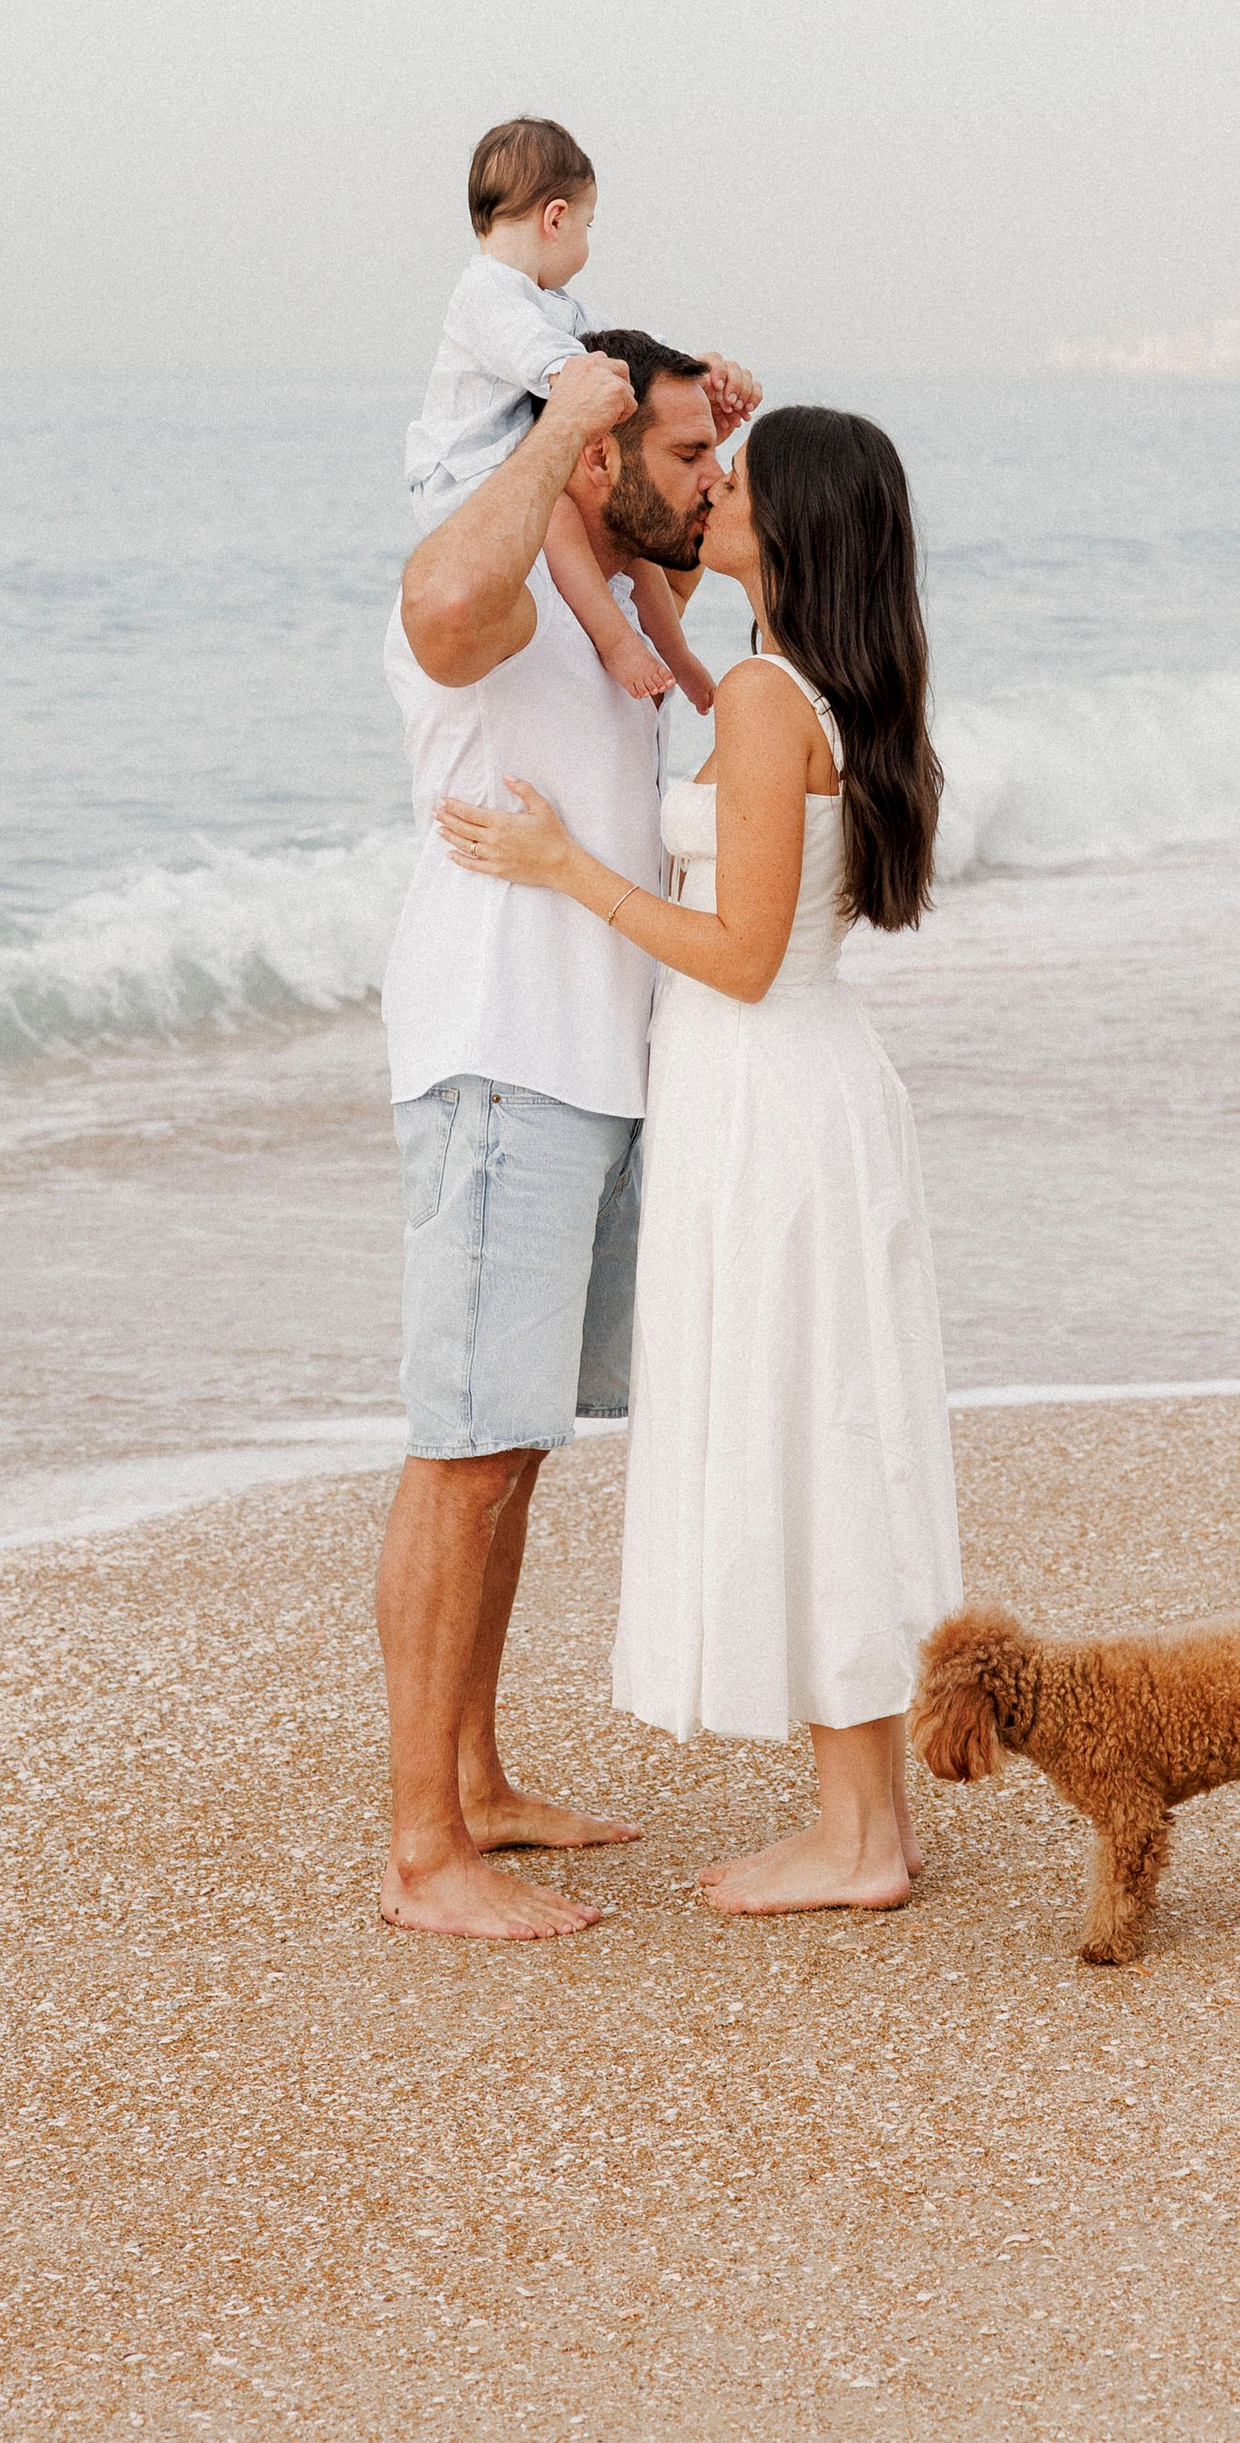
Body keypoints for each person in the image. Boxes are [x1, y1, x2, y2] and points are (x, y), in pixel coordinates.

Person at [438, 405, 961, 1918]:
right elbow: (667, 649)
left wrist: (565, 869)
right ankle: (861, 1820)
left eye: (737, 479)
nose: (714, 486)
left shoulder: (763, 696)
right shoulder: (810, 685)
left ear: (794, 526)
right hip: (803, 1090)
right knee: (828, 1432)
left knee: (813, 1434)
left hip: (769, 1095)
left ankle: (861, 1836)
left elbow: (736, 952)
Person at [376, 323, 758, 1940]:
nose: (708, 479)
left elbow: (730, 660)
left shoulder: (614, 610)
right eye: (681, 456)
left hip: (595, 1069)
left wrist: (703, 476)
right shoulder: (505, 585)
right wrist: (561, 433)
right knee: (462, 1453)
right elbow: (432, 609)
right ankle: (419, 1855)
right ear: (593, 452)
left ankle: (474, 1781)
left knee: (512, 1445)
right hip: (499, 1058)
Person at [407, 116, 719, 714]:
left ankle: (676, 653)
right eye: (588, 225)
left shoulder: (552, 303)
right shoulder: (487, 291)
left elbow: (620, 350)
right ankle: (617, 641)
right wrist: (572, 380)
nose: (587, 242)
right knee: (562, 517)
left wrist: (686, 378)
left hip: (515, 464)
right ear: (555, 219)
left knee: (631, 538)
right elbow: (540, 355)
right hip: (465, 481)